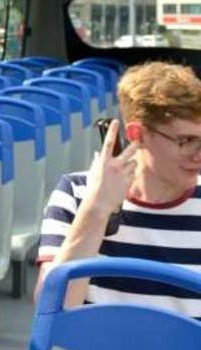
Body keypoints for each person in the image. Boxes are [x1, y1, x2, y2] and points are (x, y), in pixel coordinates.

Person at [35, 61, 201, 317]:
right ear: (138, 135)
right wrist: (96, 211)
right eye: (187, 141)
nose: (198, 155)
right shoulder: (76, 193)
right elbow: (52, 310)